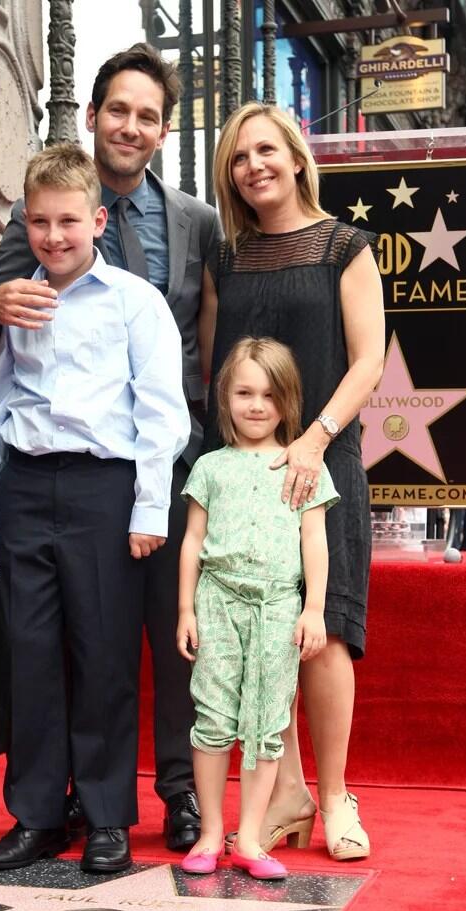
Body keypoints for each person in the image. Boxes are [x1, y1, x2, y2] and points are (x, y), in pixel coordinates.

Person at [0, 43, 222, 851]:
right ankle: (45, 808)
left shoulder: (192, 224)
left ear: (163, 129)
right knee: (40, 649)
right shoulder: (33, 249)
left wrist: (180, 477)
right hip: (39, 479)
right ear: (94, 114)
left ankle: (150, 801)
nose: (131, 125)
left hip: (147, 467)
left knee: (139, 642)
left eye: (147, 115)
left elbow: (200, 354)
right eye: (119, 109)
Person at [202, 103, 385, 861]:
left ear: (296, 156)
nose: (254, 167)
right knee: (258, 637)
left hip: (322, 463)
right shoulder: (225, 258)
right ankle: (286, 792)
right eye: (240, 157)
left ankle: (336, 794)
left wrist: (311, 441)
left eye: (266, 150)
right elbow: (215, 372)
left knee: (324, 632)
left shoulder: (345, 246)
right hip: (245, 477)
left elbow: (368, 359)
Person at [176, 338, 339, 879]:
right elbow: (193, 541)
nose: (256, 405)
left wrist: (313, 609)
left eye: (269, 395)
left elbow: (314, 541)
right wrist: (186, 610)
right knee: (214, 717)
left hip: (277, 607)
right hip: (217, 601)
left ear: (287, 402)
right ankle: (208, 833)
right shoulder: (209, 467)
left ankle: (249, 838)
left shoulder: (303, 466)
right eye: (244, 392)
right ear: (225, 397)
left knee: (268, 721)